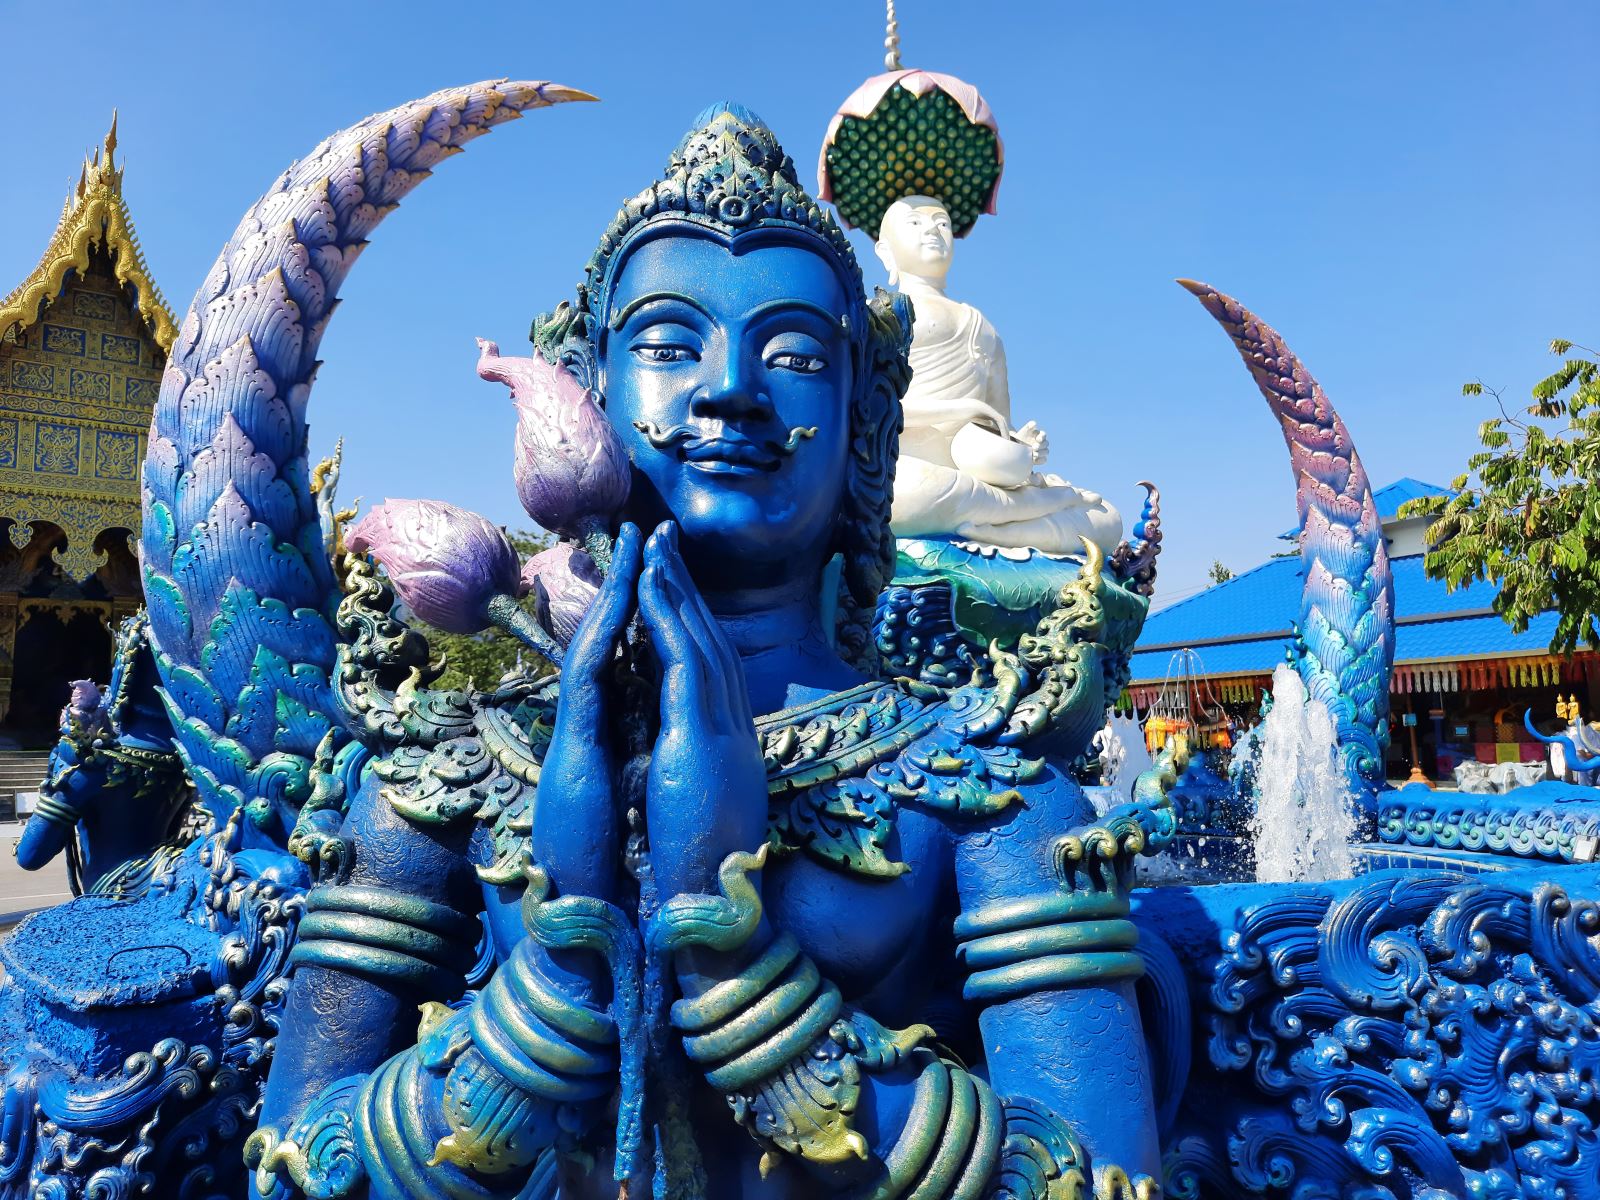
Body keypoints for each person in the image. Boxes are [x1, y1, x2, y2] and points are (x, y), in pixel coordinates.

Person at [250, 102, 1159, 1200]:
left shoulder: (991, 797)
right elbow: (294, 1167)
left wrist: (739, 971)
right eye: (671, 344)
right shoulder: (440, 780)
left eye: (793, 353)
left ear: (865, 422)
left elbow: (1103, 1176)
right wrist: (555, 974)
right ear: (585, 393)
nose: (731, 387)